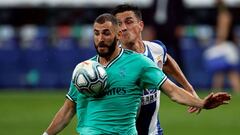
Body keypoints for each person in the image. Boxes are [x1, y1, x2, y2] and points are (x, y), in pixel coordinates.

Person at [42, 13, 231, 135]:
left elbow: (172, 91)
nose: (100, 39)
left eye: (106, 33)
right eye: (96, 33)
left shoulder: (139, 63)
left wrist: (201, 103)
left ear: (117, 34)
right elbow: (68, 109)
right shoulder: (84, 69)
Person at [111, 4, 199, 135]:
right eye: (119, 24)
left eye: (129, 22)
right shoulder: (110, 62)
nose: (123, 28)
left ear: (141, 25)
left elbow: (167, 60)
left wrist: (188, 87)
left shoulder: (155, 49)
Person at [204, 0, 240, 93]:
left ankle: (217, 92)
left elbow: (223, 32)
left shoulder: (223, 15)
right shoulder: (227, 14)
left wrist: (218, 43)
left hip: (225, 46)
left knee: (228, 72)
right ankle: (216, 92)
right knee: (223, 72)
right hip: (230, 45)